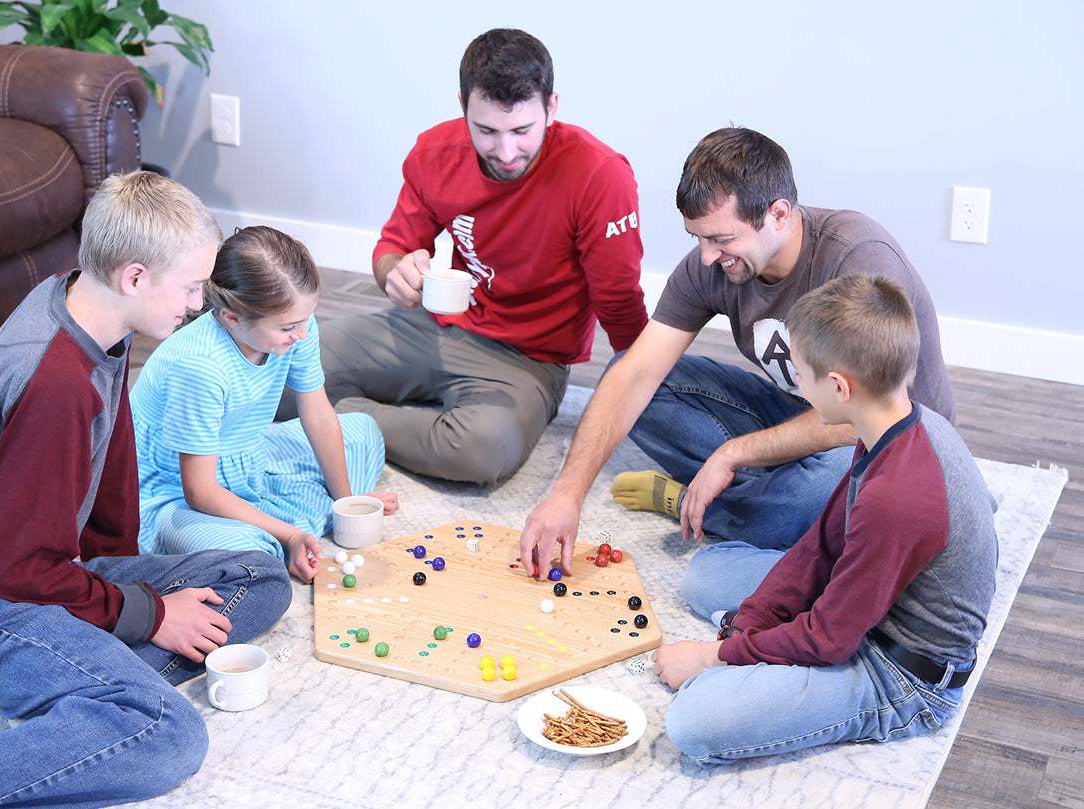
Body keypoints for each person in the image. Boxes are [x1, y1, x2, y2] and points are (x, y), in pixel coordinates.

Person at [0, 171, 290, 809]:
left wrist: (120, 582)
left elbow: (106, 472)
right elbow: (10, 568)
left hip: (25, 562)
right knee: (164, 734)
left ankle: (77, 695)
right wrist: (146, 611)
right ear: (134, 277)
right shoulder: (55, 383)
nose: (198, 305)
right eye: (190, 287)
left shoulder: (85, 305)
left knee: (258, 576)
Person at [521, 127, 956, 575]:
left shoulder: (858, 258)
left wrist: (733, 454)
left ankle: (708, 504)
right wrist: (565, 495)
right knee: (629, 378)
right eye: (698, 238)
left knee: (824, 494)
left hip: (889, 440)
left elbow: (861, 415)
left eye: (722, 239)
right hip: (800, 410)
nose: (708, 257)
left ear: (779, 215)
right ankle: (768, 497)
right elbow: (636, 374)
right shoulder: (711, 266)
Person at [649, 274, 997, 764]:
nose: (796, 385)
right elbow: (822, 547)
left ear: (838, 386)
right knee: (705, 575)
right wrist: (744, 631)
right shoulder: (891, 422)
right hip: (864, 605)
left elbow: (830, 637)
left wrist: (712, 656)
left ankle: (762, 673)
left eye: (799, 373)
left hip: (902, 671)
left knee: (695, 723)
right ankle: (761, 652)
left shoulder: (898, 495)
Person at [302, 28, 648, 485]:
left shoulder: (599, 176)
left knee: (483, 450)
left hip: (529, 360)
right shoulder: (435, 151)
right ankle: (339, 412)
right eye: (486, 130)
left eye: (522, 130)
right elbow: (392, 248)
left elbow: (619, 302)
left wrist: (646, 388)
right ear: (463, 104)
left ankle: (332, 418)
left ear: (552, 107)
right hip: (434, 326)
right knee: (286, 361)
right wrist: (397, 272)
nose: (506, 152)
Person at [130, 226, 399, 581]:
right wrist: (288, 535)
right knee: (252, 556)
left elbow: (317, 414)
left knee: (362, 430)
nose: (301, 334)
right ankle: (278, 535)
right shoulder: (199, 366)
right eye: (288, 327)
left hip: (247, 458)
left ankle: (298, 518)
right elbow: (199, 490)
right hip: (175, 489)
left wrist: (346, 502)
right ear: (232, 318)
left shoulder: (297, 323)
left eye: (305, 320)